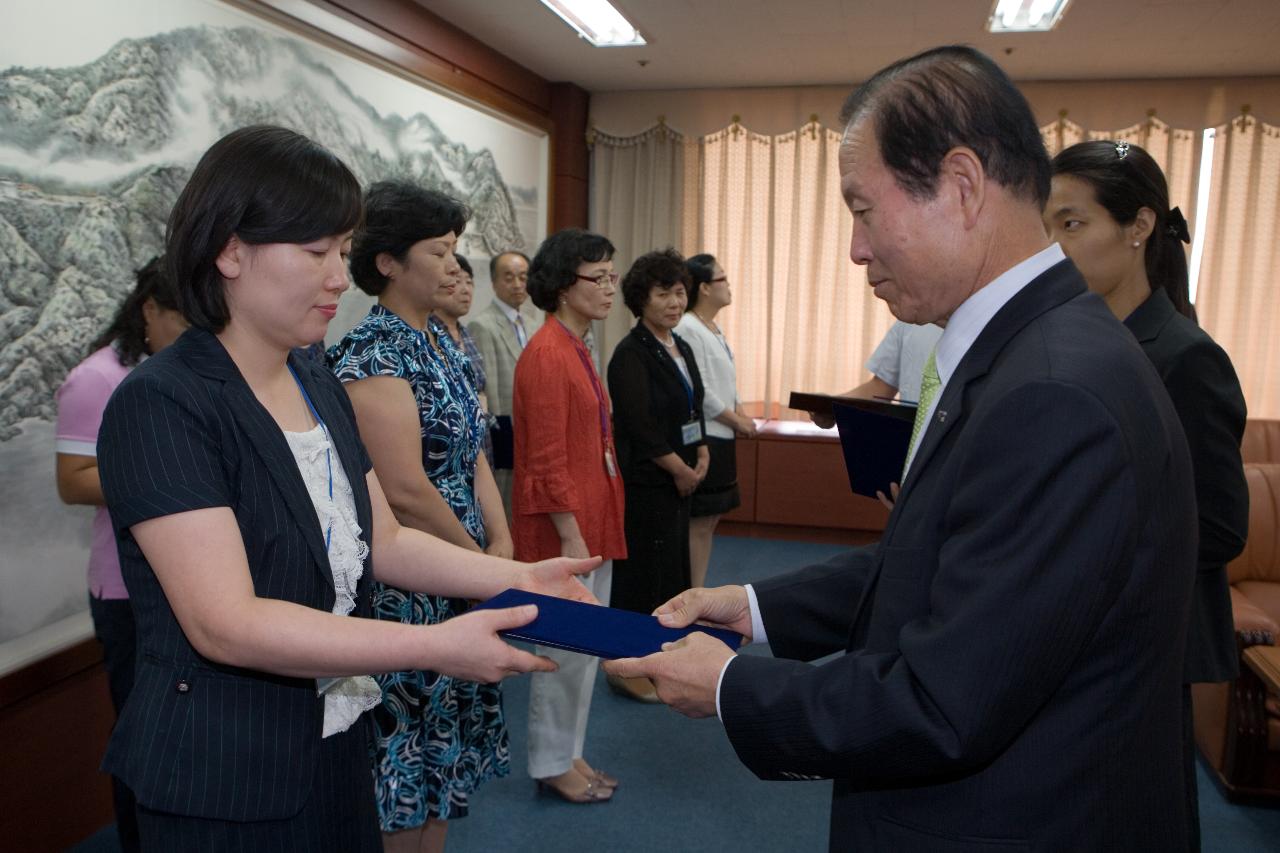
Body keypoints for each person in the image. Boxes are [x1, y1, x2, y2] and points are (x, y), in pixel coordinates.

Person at [605, 46, 1198, 852]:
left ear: (960, 187)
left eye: (862, 208)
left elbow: (945, 703)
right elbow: (940, 561)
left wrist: (732, 686)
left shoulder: (1054, 390)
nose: (855, 248)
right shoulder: (1029, 348)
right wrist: (753, 606)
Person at [95, 125, 597, 851]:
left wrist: (515, 576)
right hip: (226, 772)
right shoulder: (164, 403)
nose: (339, 275)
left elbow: (382, 538)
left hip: (335, 739)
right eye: (315, 251)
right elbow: (225, 621)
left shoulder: (315, 378)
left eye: (341, 249)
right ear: (230, 249)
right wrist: (434, 643)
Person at [1047, 139, 1249, 852]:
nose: (1056, 245)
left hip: (1149, 634)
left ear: (1137, 228)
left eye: (1072, 224)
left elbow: (1222, 526)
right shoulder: (1077, 343)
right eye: (1049, 228)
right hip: (1077, 624)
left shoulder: (1185, 356)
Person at [328, 181, 515, 853]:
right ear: (388, 262)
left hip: (461, 567)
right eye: (438, 252)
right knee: (406, 764)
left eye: (454, 252)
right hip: (408, 584)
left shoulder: (443, 341)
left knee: (445, 764)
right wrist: (477, 560)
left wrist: (501, 542)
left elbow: (473, 455)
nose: (452, 268)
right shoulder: (372, 353)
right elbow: (404, 490)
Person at [54, 256, 187, 853]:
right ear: (149, 311)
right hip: (128, 593)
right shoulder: (98, 377)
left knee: (185, 745)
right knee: (144, 742)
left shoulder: (179, 371)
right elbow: (74, 480)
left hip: (186, 584)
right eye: (182, 322)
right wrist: (174, 476)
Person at [513, 227, 627, 803]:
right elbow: (546, 461)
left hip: (590, 525)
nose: (611, 288)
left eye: (613, 276)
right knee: (562, 655)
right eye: (598, 278)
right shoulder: (548, 353)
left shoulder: (577, 343)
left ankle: (570, 753)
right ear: (563, 285)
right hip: (567, 534)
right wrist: (572, 541)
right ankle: (550, 763)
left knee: (584, 653)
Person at [606, 248, 708, 703]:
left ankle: (663, 659)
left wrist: (701, 451)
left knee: (672, 571)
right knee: (642, 575)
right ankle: (626, 669)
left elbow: (693, 404)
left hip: (680, 476)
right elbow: (640, 426)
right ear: (640, 299)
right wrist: (680, 469)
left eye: (681, 291)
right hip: (649, 481)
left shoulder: (679, 343)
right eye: (663, 292)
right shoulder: (630, 354)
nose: (674, 301)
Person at [675, 254, 755, 588]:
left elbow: (727, 381)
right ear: (705, 288)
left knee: (710, 521)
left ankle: (697, 587)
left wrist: (740, 411)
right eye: (722, 279)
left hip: (723, 432)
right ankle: (692, 593)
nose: (729, 284)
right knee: (700, 521)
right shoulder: (688, 327)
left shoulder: (713, 328)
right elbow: (701, 390)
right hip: (707, 435)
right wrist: (736, 420)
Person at [465, 250, 543, 512]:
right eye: (509, 277)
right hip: (504, 432)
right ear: (495, 282)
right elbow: (488, 385)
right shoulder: (482, 325)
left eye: (523, 277)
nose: (518, 284)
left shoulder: (533, 325)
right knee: (504, 508)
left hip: (531, 428)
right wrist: (499, 434)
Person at [434, 253, 495, 466]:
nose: (465, 289)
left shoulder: (467, 334)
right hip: (450, 457)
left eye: (469, 282)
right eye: (458, 281)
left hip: (481, 445)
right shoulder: (429, 334)